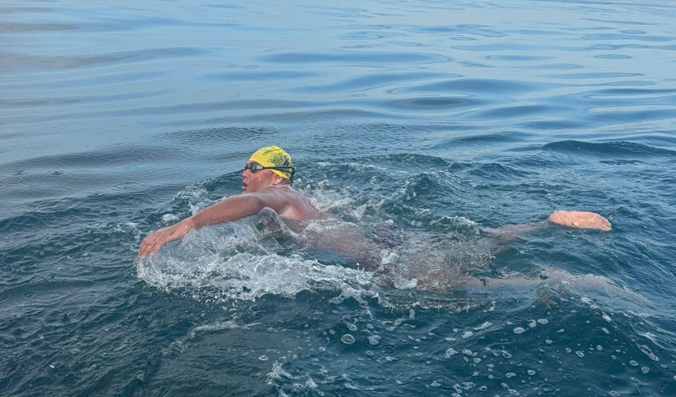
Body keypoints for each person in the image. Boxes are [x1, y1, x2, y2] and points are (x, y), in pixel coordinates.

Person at [138, 146, 612, 261]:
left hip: (373, 256)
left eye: (252, 166)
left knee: (452, 291)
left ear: (275, 174)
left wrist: (184, 226)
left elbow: (250, 203)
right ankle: (546, 224)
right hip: (379, 237)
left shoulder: (276, 193)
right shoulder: (303, 197)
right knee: (475, 243)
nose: (244, 172)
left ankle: (567, 280)